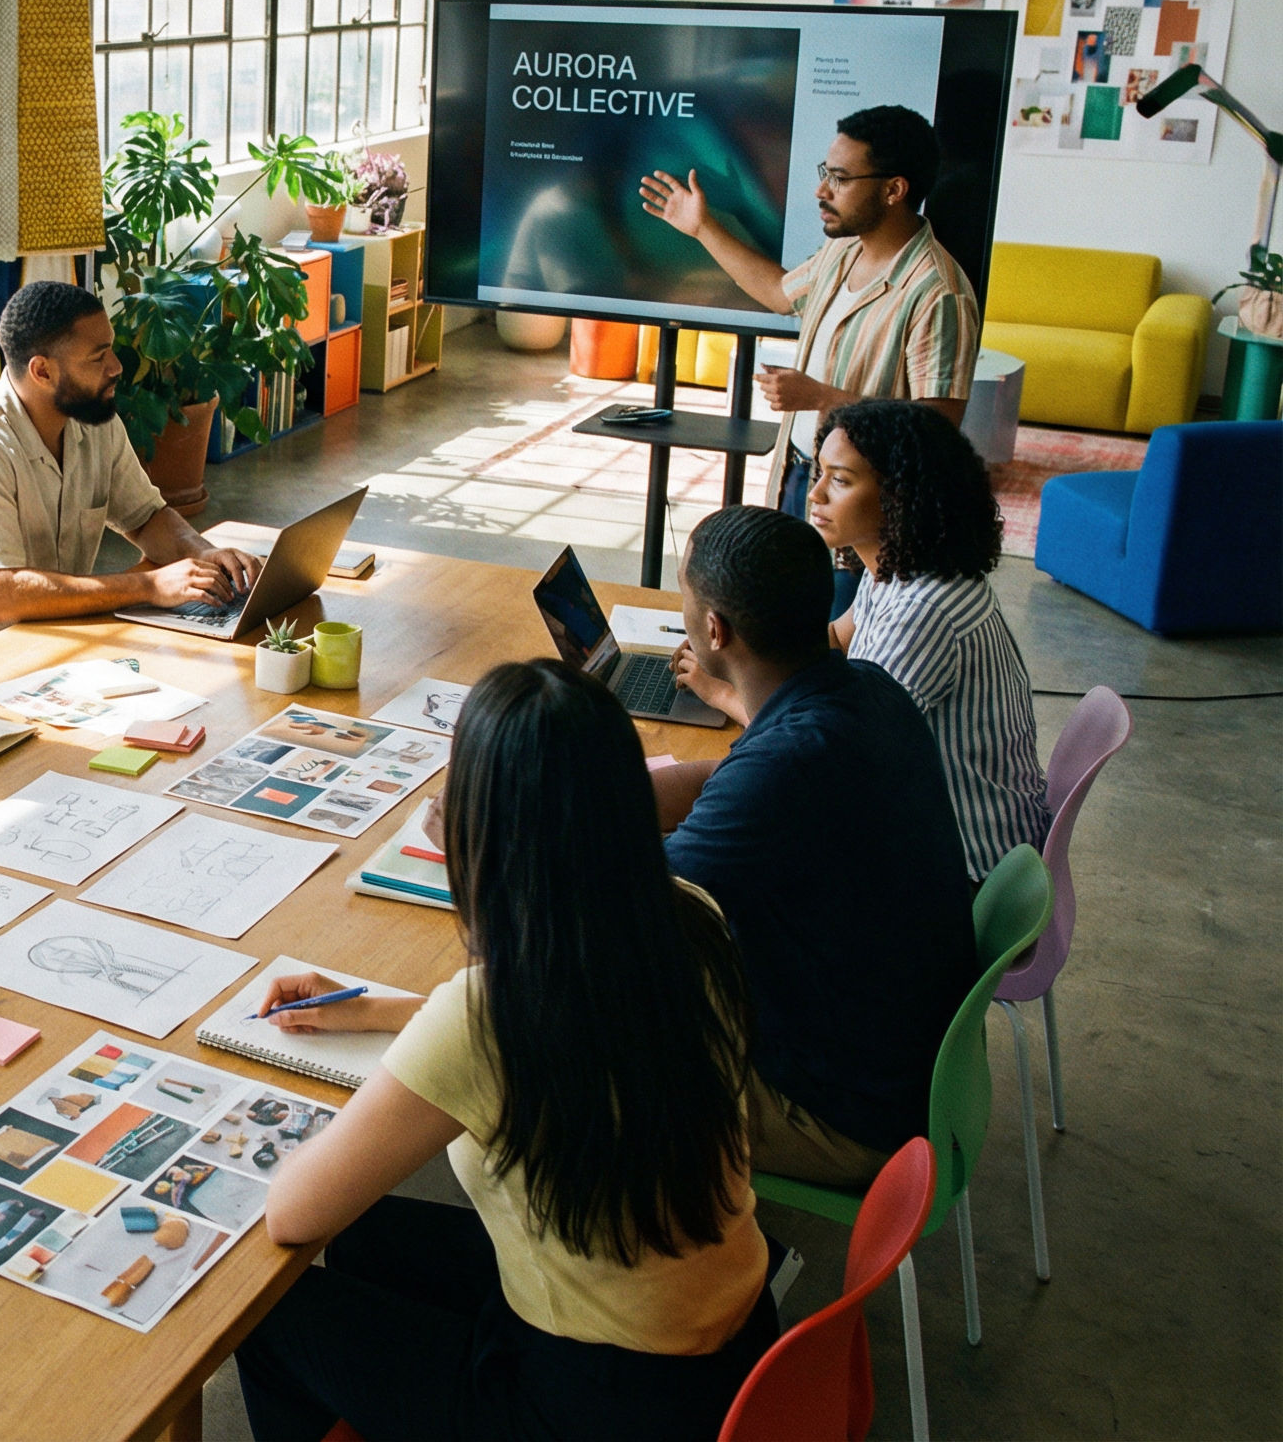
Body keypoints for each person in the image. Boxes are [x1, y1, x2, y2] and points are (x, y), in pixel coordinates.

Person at [230, 660, 777, 1442]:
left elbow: (290, 1213)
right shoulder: (688, 915)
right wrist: (377, 1010)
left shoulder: (486, 1017)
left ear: (480, 831)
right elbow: (563, 1022)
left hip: (599, 1409)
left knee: (268, 1316)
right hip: (736, 1349)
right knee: (367, 1241)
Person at [660, 504, 974, 1188]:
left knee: (565, 1055)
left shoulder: (791, 763)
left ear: (713, 628)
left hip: (844, 1122)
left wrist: (500, 821)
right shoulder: (866, 690)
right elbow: (731, 782)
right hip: (897, 1068)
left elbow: (628, 905)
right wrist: (608, 790)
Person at [640, 104, 981, 524]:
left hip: (867, 507)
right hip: (802, 471)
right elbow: (780, 294)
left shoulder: (938, 294)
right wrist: (702, 227)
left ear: (894, 190)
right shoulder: (845, 248)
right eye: (826, 172)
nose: (822, 190)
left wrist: (821, 398)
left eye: (840, 178)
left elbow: (936, 432)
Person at [0, 281, 264, 662]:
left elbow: (146, 517)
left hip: (48, 636)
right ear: (42, 371)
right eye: (98, 357)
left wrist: (207, 555)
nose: (117, 367)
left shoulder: (93, 419)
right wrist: (148, 586)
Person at [815, 400, 1050, 882]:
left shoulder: (924, 610)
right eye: (821, 474)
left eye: (839, 480)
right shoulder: (895, 571)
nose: (816, 494)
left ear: (899, 497)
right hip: (941, 838)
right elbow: (836, 638)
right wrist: (746, 646)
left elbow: (841, 754)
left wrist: (727, 693)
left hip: (966, 871)